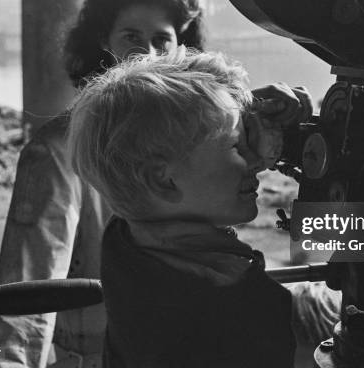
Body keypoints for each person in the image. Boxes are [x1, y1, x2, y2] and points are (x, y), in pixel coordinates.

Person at [0, 0, 205, 368]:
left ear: (179, 47)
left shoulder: (199, 140)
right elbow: (28, 294)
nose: (146, 56)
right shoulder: (59, 149)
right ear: (104, 40)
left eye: (161, 40)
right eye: (131, 37)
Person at [67, 49, 297, 368]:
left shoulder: (124, 237)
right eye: (236, 145)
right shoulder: (247, 305)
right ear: (162, 180)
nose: (257, 163)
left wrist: (234, 111)